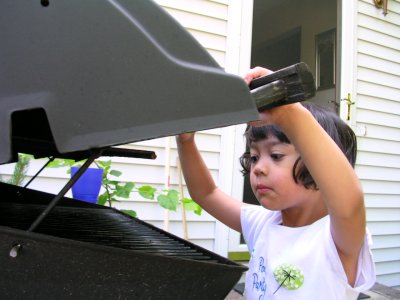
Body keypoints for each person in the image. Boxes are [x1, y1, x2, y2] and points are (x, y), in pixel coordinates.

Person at [176, 67, 376, 299]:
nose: (258, 167)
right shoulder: (263, 224)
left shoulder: (337, 239)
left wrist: (289, 113)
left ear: (318, 163)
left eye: (276, 155)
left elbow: (349, 201)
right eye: (254, 156)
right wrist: (186, 140)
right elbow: (206, 193)